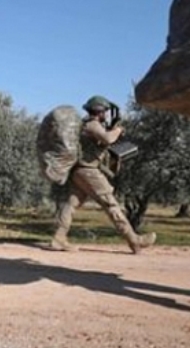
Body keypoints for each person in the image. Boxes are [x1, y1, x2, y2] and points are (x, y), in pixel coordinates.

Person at [50, 95, 157, 254]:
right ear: (99, 111)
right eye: (105, 111)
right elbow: (107, 139)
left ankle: (59, 238)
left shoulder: (86, 125)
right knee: (111, 204)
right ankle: (134, 240)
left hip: (79, 170)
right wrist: (118, 130)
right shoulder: (92, 125)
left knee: (72, 204)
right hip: (89, 171)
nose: (106, 114)